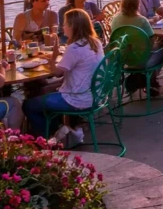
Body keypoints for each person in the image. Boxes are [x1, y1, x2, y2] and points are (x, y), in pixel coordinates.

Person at [23, 9, 104, 137]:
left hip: (77, 99)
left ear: (73, 27)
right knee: (44, 90)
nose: (63, 27)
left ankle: (45, 138)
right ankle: (56, 129)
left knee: (29, 105)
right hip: (95, 95)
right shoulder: (95, 43)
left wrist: (51, 60)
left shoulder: (74, 48)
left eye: (65, 24)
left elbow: (57, 73)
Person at [110, 0, 163, 69]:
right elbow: (151, 41)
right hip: (141, 60)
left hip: (121, 58)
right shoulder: (142, 20)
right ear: (137, 5)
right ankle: (151, 76)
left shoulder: (115, 19)